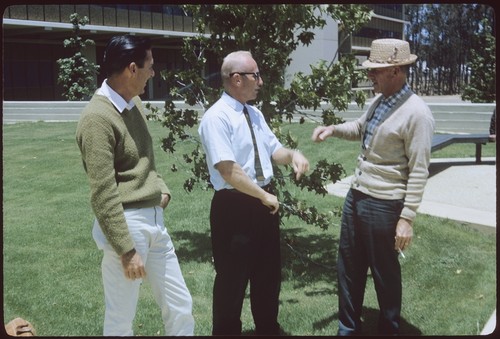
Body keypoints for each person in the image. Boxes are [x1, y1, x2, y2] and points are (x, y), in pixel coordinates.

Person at [311, 38, 435, 336]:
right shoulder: (380, 101)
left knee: (384, 274)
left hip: (385, 204)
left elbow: (419, 171)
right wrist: (333, 129)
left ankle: (389, 329)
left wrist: (406, 218)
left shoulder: (417, 114)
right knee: (348, 268)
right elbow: (360, 128)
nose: (370, 76)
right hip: (357, 196)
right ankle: (348, 329)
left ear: (394, 70)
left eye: (375, 71)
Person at [76, 34, 195, 336]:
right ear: (132, 69)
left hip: (155, 225)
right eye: (150, 66)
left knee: (180, 307)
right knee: (121, 319)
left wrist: (161, 188)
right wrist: (126, 250)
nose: (153, 73)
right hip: (126, 229)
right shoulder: (97, 118)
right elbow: (102, 193)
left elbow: (144, 157)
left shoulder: (134, 103)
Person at [198, 50, 310, 335]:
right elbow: (228, 170)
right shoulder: (217, 118)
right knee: (232, 283)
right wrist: (262, 196)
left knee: (268, 277)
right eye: (255, 75)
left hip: (264, 204)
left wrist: (294, 154)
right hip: (235, 207)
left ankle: (268, 329)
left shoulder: (254, 112)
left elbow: (274, 150)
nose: (260, 80)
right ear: (236, 79)